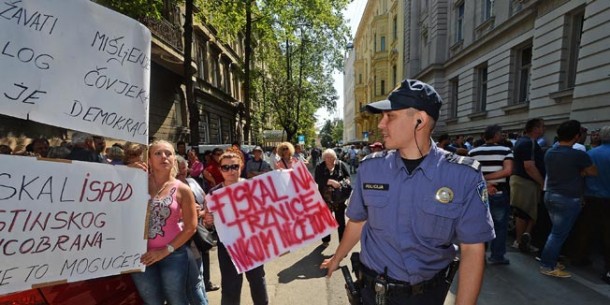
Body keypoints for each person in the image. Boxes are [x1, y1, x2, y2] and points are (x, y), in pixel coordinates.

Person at [320, 79, 494, 305]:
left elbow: (472, 249)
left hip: (425, 296)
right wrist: (337, 256)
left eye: (390, 116)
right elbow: (357, 222)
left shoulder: (463, 176)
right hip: (371, 294)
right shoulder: (371, 168)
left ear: (419, 121)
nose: (381, 125)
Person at [131, 140, 204, 305]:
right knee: (152, 302)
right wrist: (128, 173)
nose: (164, 157)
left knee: (176, 300)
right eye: (158, 153)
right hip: (139, 256)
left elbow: (191, 227)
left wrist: (166, 250)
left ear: (174, 160)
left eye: (168, 153)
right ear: (148, 159)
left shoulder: (183, 189)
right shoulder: (136, 182)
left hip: (173, 254)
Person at [205, 152, 269, 305]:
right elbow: (209, 224)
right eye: (225, 167)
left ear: (241, 166)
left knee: (257, 282)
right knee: (230, 288)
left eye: (234, 166)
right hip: (227, 247)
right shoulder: (214, 194)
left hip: (252, 243)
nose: (230, 170)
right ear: (220, 170)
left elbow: (268, 211)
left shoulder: (252, 187)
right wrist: (208, 220)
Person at [539, 120, 596, 278]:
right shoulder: (578, 154)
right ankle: (547, 265)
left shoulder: (550, 152)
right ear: (577, 136)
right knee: (558, 234)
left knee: (555, 232)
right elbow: (592, 172)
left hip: (550, 194)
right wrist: (581, 172)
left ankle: (549, 260)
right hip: (568, 198)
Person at [469, 125, 514, 265]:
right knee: (499, 226)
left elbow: (469, 174)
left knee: (480, 225)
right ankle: (497, 256)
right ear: (496, 135)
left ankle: (479, 256)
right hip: (498, 192)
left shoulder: (473, 152)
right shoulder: (506, 150)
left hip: (478, 192)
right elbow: (508, 171)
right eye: (500, 133)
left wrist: (483, 180)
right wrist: (489, 180)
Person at [176, 156, 220, 293]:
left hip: (199, 226)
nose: (183, 170)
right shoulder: (170, 186)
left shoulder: (192, 181)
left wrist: (202, 212)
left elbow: (204, 198)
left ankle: (206, 282)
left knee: (204, 252)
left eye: (184, 167)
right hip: (181, 231)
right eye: (180, 168)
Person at [576, 126, 610, 284]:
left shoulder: (590, 153)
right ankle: (608, 270)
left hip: (590, 197)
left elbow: (582, 176)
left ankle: (579, 257)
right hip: (607, 198)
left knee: (585, 228)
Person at [510, 118, 545, 253]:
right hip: (525, 182)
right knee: (524, 213)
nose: (544, 129)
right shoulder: (528, 143)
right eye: (542, 127)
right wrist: (542, 182)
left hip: (524, 181)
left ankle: (524, 239)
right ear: (536, 128)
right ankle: (519, 241)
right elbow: (529, 166)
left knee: (527, 212)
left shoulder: (524, 141)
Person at [315, 148, 351, 247]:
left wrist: (345, 182)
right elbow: (317, 179)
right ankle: (326, 240)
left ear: (334, 157)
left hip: (339, 198)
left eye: (331, 157)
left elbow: (348, 176)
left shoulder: (340, 164)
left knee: (341, 221)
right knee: (326, 220)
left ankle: (342, 242)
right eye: (326, 157)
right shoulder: (320, 166)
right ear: (323, 158)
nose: (329, 159)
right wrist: (330, 181)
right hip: (325, 198)